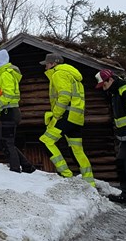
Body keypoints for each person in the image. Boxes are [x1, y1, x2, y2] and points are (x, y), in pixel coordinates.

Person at [38, 53, 95, 187]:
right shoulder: (73, 76)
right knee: (77, 150)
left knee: (46, 141)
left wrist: (56, 115)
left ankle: (66, 174)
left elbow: (64, 96)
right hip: (76, 117)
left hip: (66, 115)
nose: (45, 67)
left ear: (53, 64)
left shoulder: (58, 74)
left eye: (47, 64)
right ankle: (90, 182)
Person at [95, 69, 126, 208]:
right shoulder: (115, 93)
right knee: (122, 164)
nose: (103, 88)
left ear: (110, 80)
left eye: (104, 85)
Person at [0, 49, 35, 173]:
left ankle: (15, 168)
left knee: (6, 142)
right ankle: (27, 166)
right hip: (9, 112)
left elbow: (8, 93)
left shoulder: (5, 74)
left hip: (9, 111)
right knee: (5, 141)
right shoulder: (2, 74)